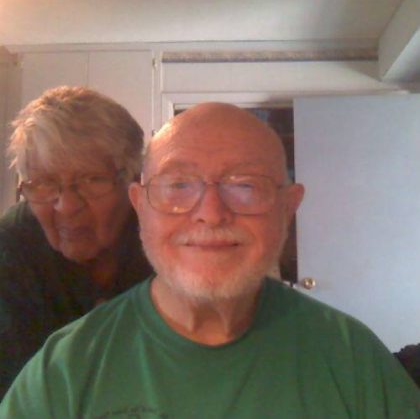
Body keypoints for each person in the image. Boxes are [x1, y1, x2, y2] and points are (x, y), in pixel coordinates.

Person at [1, 103, 419, 418]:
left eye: (246, 186)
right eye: (179, 185)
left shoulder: (353, 360)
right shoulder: (60, 371)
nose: (212, 213)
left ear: (288, 208)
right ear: (141, 205)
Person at [0, 86, 152, 399]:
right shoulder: (12, 247)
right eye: (44, 183)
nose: (67, 206)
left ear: (133, 180)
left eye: (91, 180)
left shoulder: (164, 240)